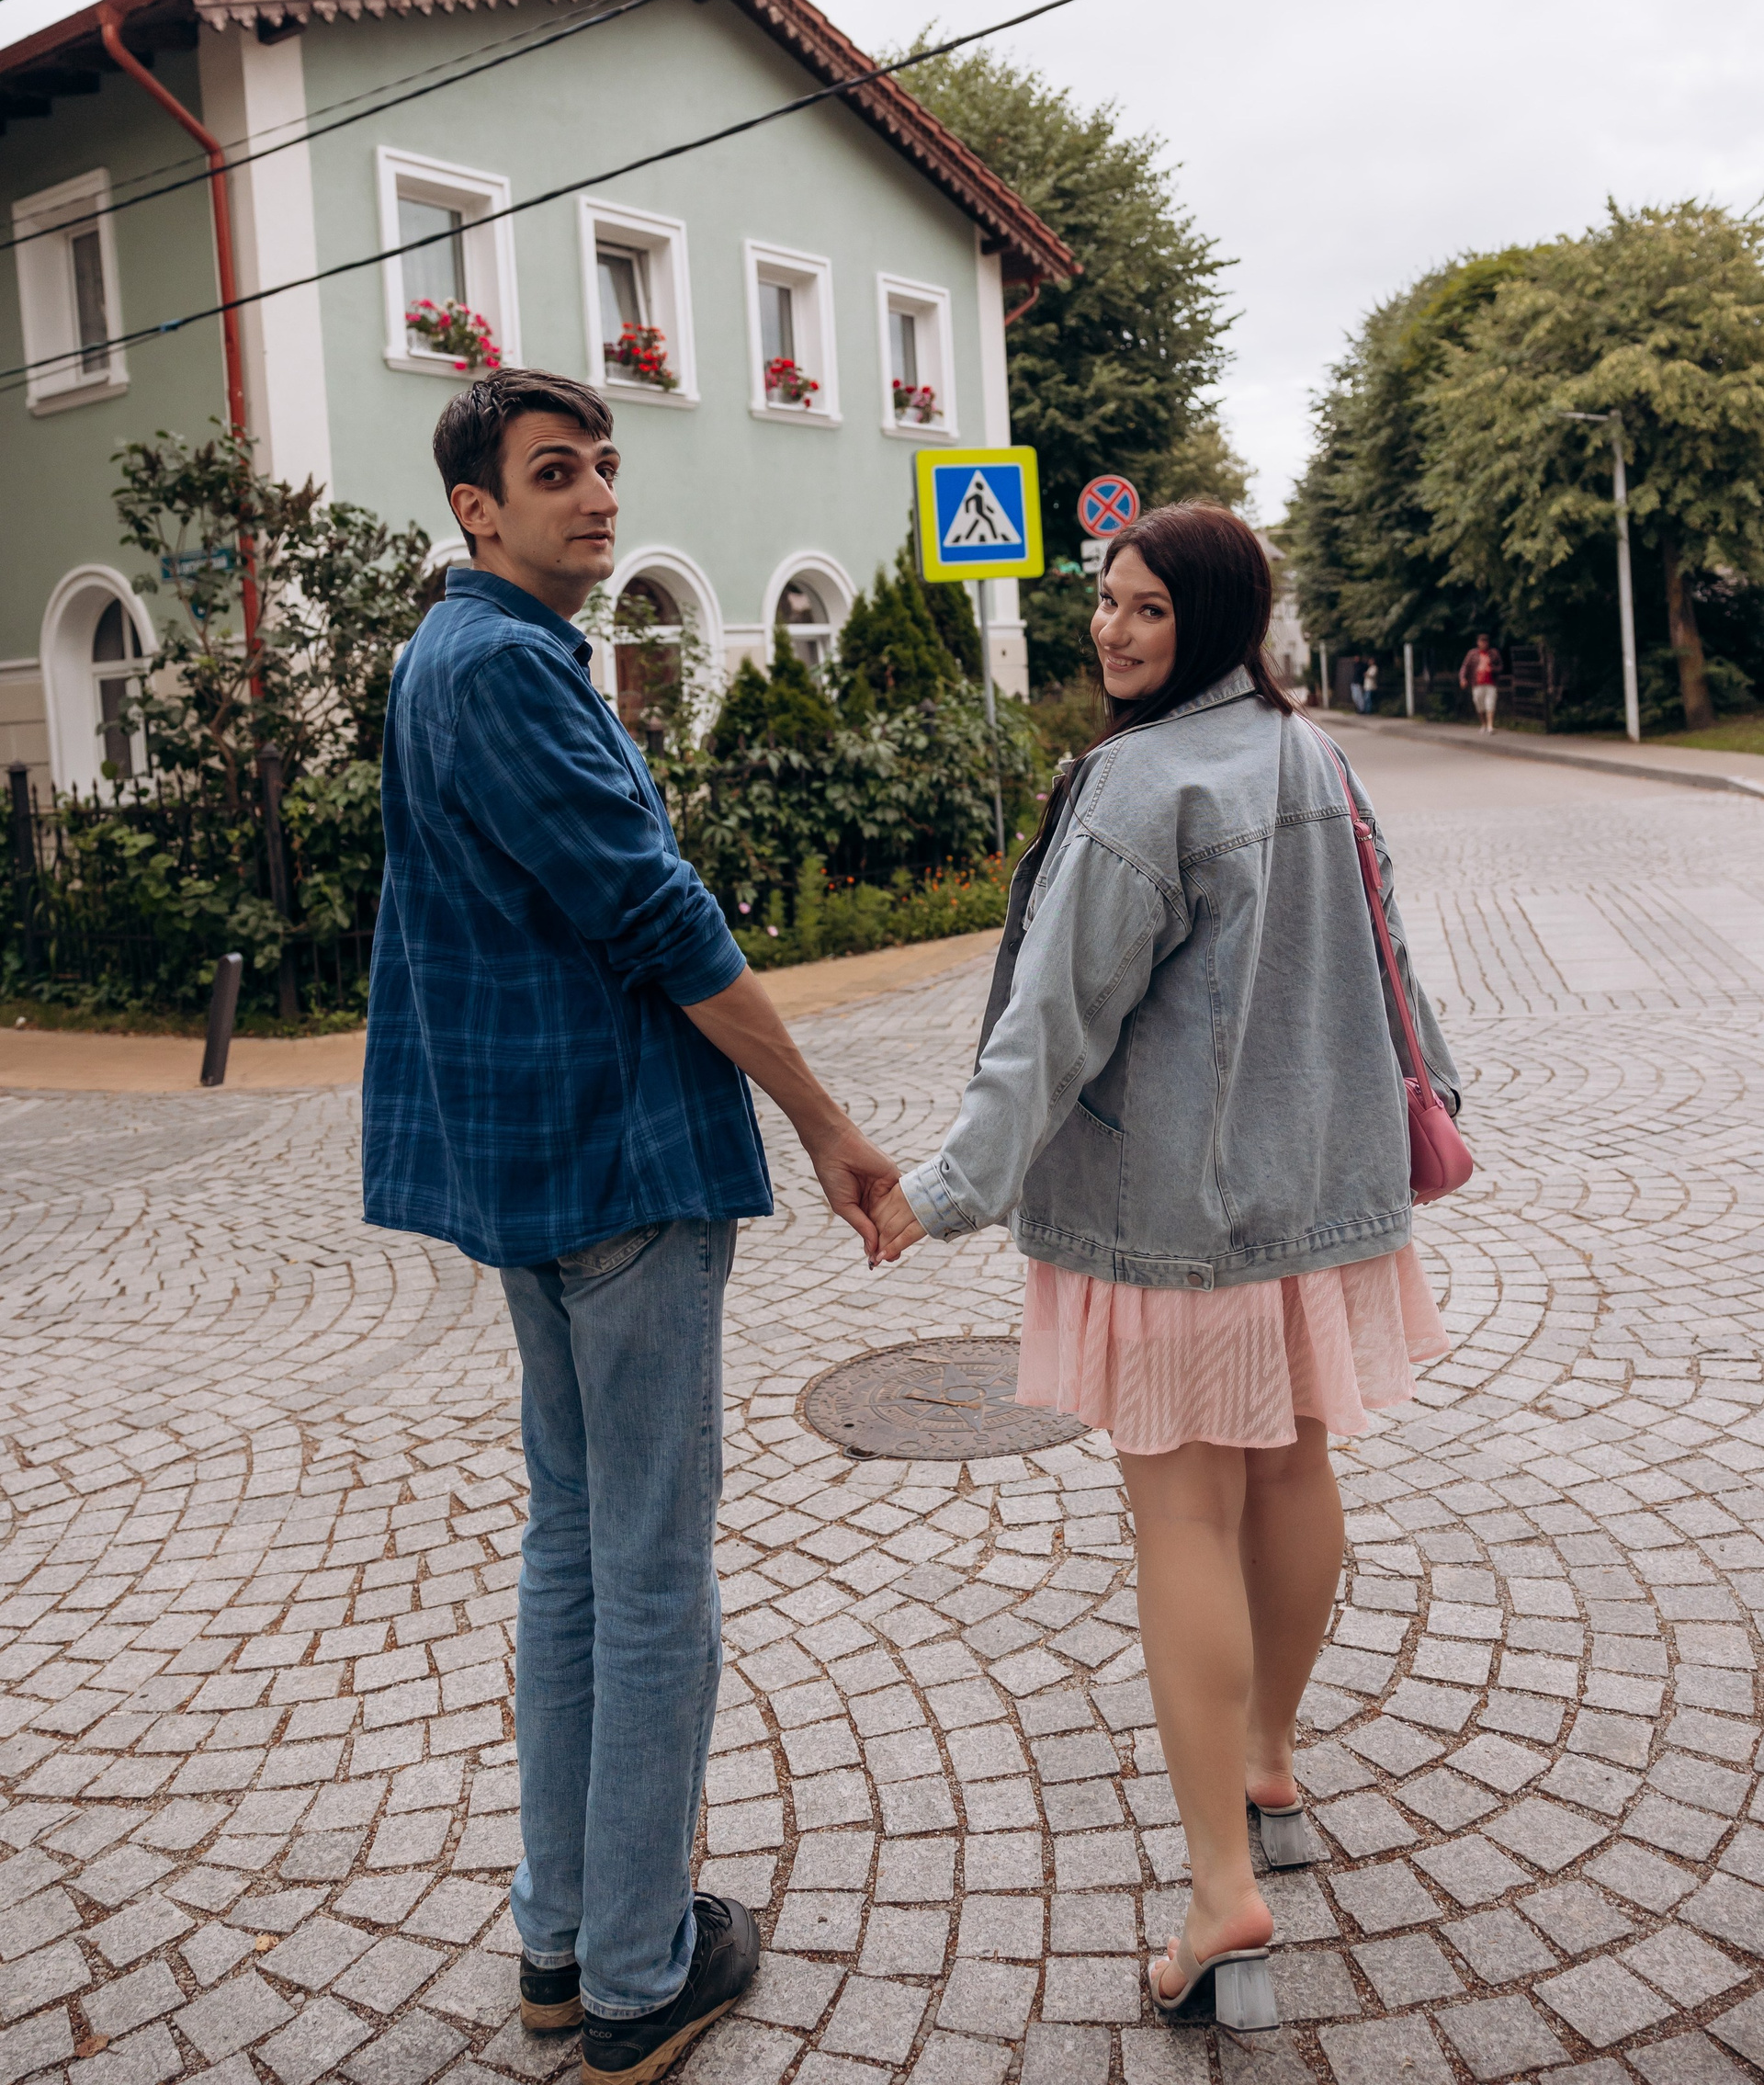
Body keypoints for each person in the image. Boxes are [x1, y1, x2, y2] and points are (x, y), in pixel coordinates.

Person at [363, 368, 899, 2082]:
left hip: (537, 1170)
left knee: (578, 1550)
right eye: (554, 472)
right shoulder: (505, 667)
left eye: (603, 464)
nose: (597, 493)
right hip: (617, 1163)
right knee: (648, 1571)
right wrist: (824, 1121)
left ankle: (564, 1940)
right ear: (477, 510)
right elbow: (656, 917)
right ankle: (639, 1976)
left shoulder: (450, 656)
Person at [869, 504, 1459, 2034]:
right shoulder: (1310, 756)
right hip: (1314, 1197)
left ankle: (1220, 1891)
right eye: (1106, 604)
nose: (1114, 631)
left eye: (1148, 608)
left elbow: (1054, 1020)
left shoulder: (1141, 784)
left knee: (1186, 1513)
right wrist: (1428, 1106)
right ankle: (1269, 1760)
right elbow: (1389, 955)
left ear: (1213, 619)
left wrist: (946, 1191)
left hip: (1178, 1215)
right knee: (1296, 1471)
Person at [1459, 633, 1503, 732]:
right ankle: (1483, 724)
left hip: (1491, 683)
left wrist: (1492, 669)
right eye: (1481, 642)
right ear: (1478, 643)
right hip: (1477, 684)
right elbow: (1465, 667)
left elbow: (1500, 667)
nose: (1484, 644)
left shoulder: (1493, 653)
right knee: (1479, 704)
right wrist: (1462, 678)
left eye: (1485, 642)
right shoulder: (1472, 654)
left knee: (1490, 704)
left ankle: (1490, 726)